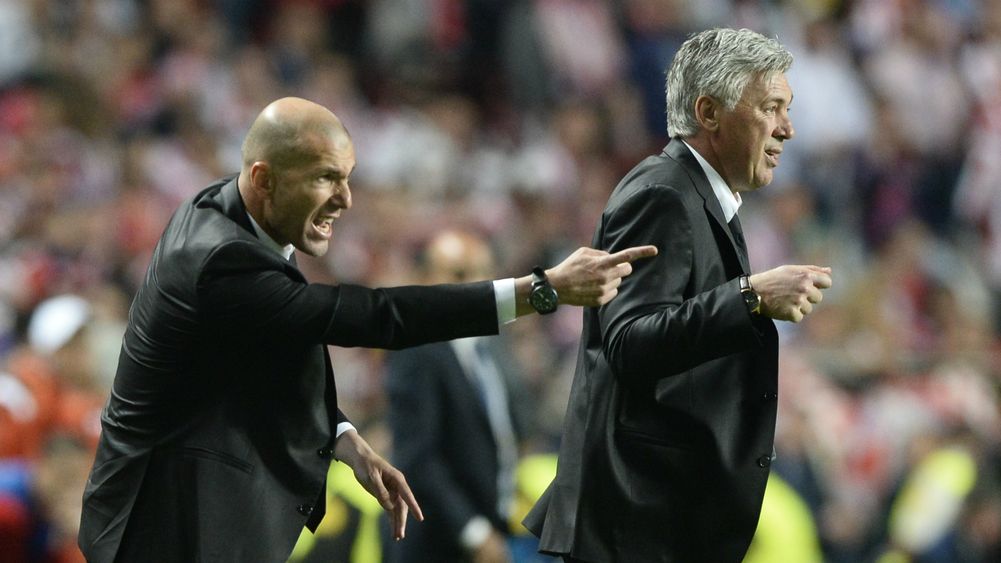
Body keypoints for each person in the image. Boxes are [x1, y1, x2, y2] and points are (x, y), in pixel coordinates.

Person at [76, 97, 657, 563]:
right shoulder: (221, 262)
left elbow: (271, 341)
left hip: (189, 505)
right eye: (327, 179)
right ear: (263, 178)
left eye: (348, 178)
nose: (346, 200)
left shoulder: (228, 213)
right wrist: (541, 289)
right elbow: (374, 317)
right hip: (164, 523)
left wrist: (344, 436)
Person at [522, 28, 833, 562]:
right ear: (709, 113)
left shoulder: (703, 198)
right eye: (772, 108)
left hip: (659, 519)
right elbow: (630, 341)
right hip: (638, 523)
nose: (788, 129)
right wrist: (750, 297)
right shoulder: (664, 193)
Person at [385, 230, 532, 563]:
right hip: (440, 542)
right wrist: (474, 531)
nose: (475, 284)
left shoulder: (491, 346)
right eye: (459, 274)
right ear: (424, 280)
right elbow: (418, 458)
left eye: (484, 271)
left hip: (495, 528)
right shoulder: (416, 348)